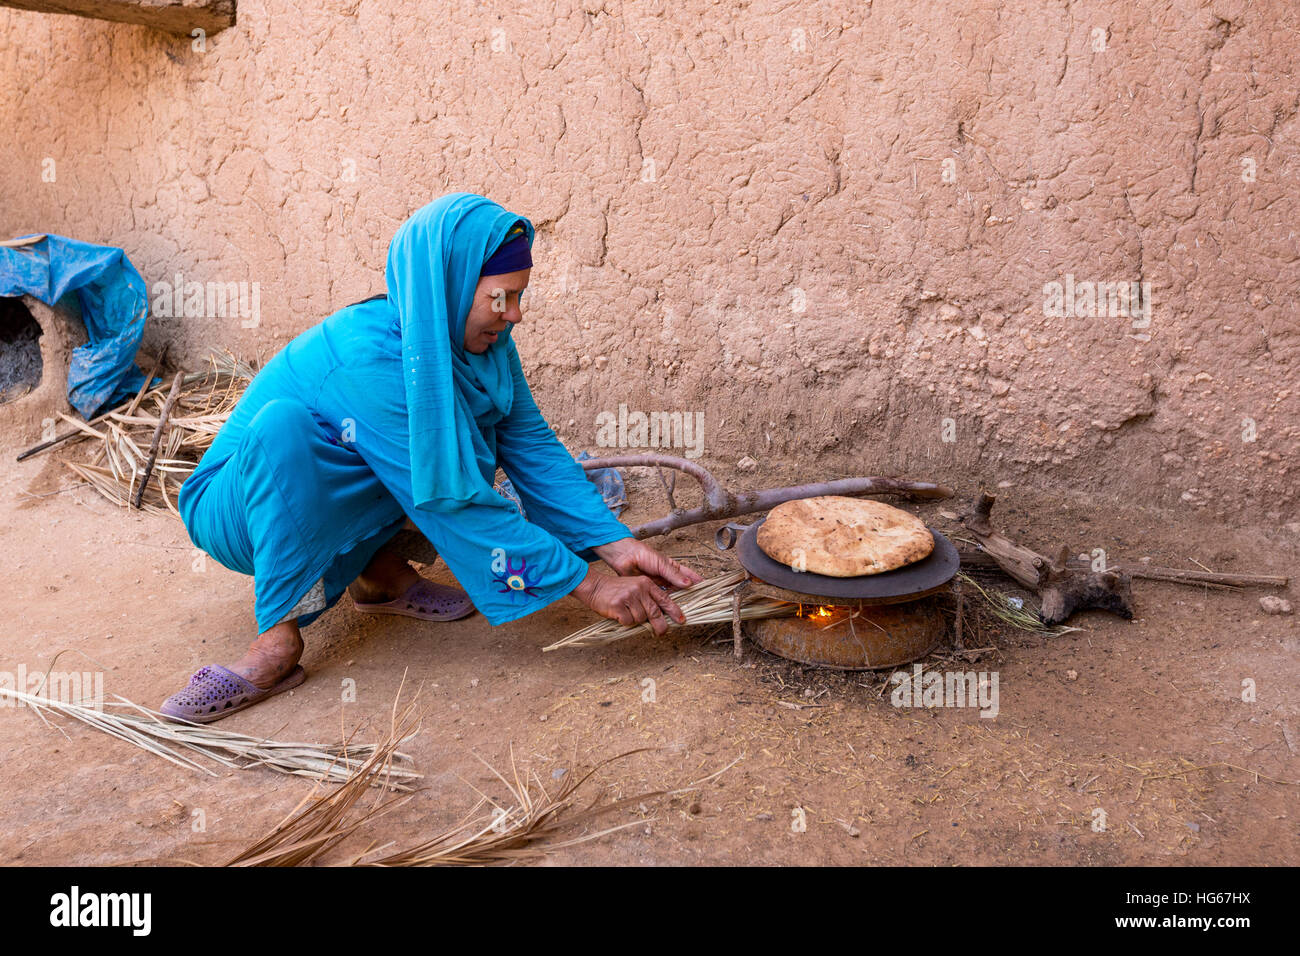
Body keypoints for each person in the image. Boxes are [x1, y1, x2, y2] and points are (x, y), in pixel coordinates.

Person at [160, 193, 702, 723]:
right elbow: (453, 504)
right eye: (501, 298)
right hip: (236, 508)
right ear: (452, 282)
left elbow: (529, 444)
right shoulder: (368, 355)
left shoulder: (476, 343)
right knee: (291, 429)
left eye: (519, 297)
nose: (514, 315)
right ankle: (276, 635)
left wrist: (617, 544)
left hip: (317, 489)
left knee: (439, 445)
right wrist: (592, 584)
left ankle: (376, 578)